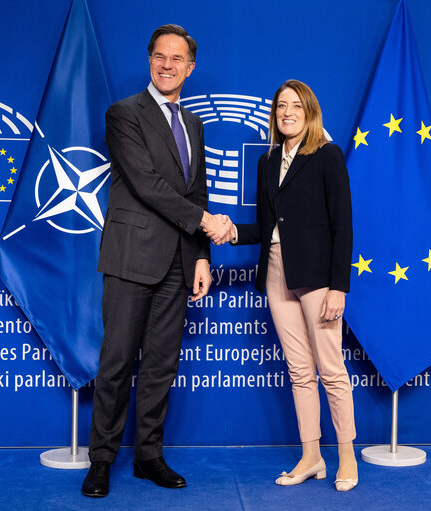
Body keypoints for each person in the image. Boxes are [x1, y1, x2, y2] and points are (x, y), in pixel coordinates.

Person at [82, 24, 232, 498]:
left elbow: (196, 188)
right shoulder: (123, 114)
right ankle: (102, 460)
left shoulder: (193, 125)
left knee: (161, 366)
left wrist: (202, 256)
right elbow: (147, 184)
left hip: (178, 263)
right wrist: (207, 221)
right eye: (159, 57)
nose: (167, 65)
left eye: (177, 59)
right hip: (131, 258)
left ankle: (148, 457)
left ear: (190, 68)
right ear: (150, 60)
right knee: (117, 362)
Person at [210, 80, 357, 491]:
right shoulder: (267, 161)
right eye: (280, 106)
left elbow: (342, 225)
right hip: (276, 271)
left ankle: (346, 456)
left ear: (309, 112)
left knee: (330, 369)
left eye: (295, 106)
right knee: (298, 371)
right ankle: (312, 457)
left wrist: (337, 287)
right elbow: (267, 226)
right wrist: (231, 232)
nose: (287, 112)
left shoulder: (328, 156)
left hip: (317, 278)